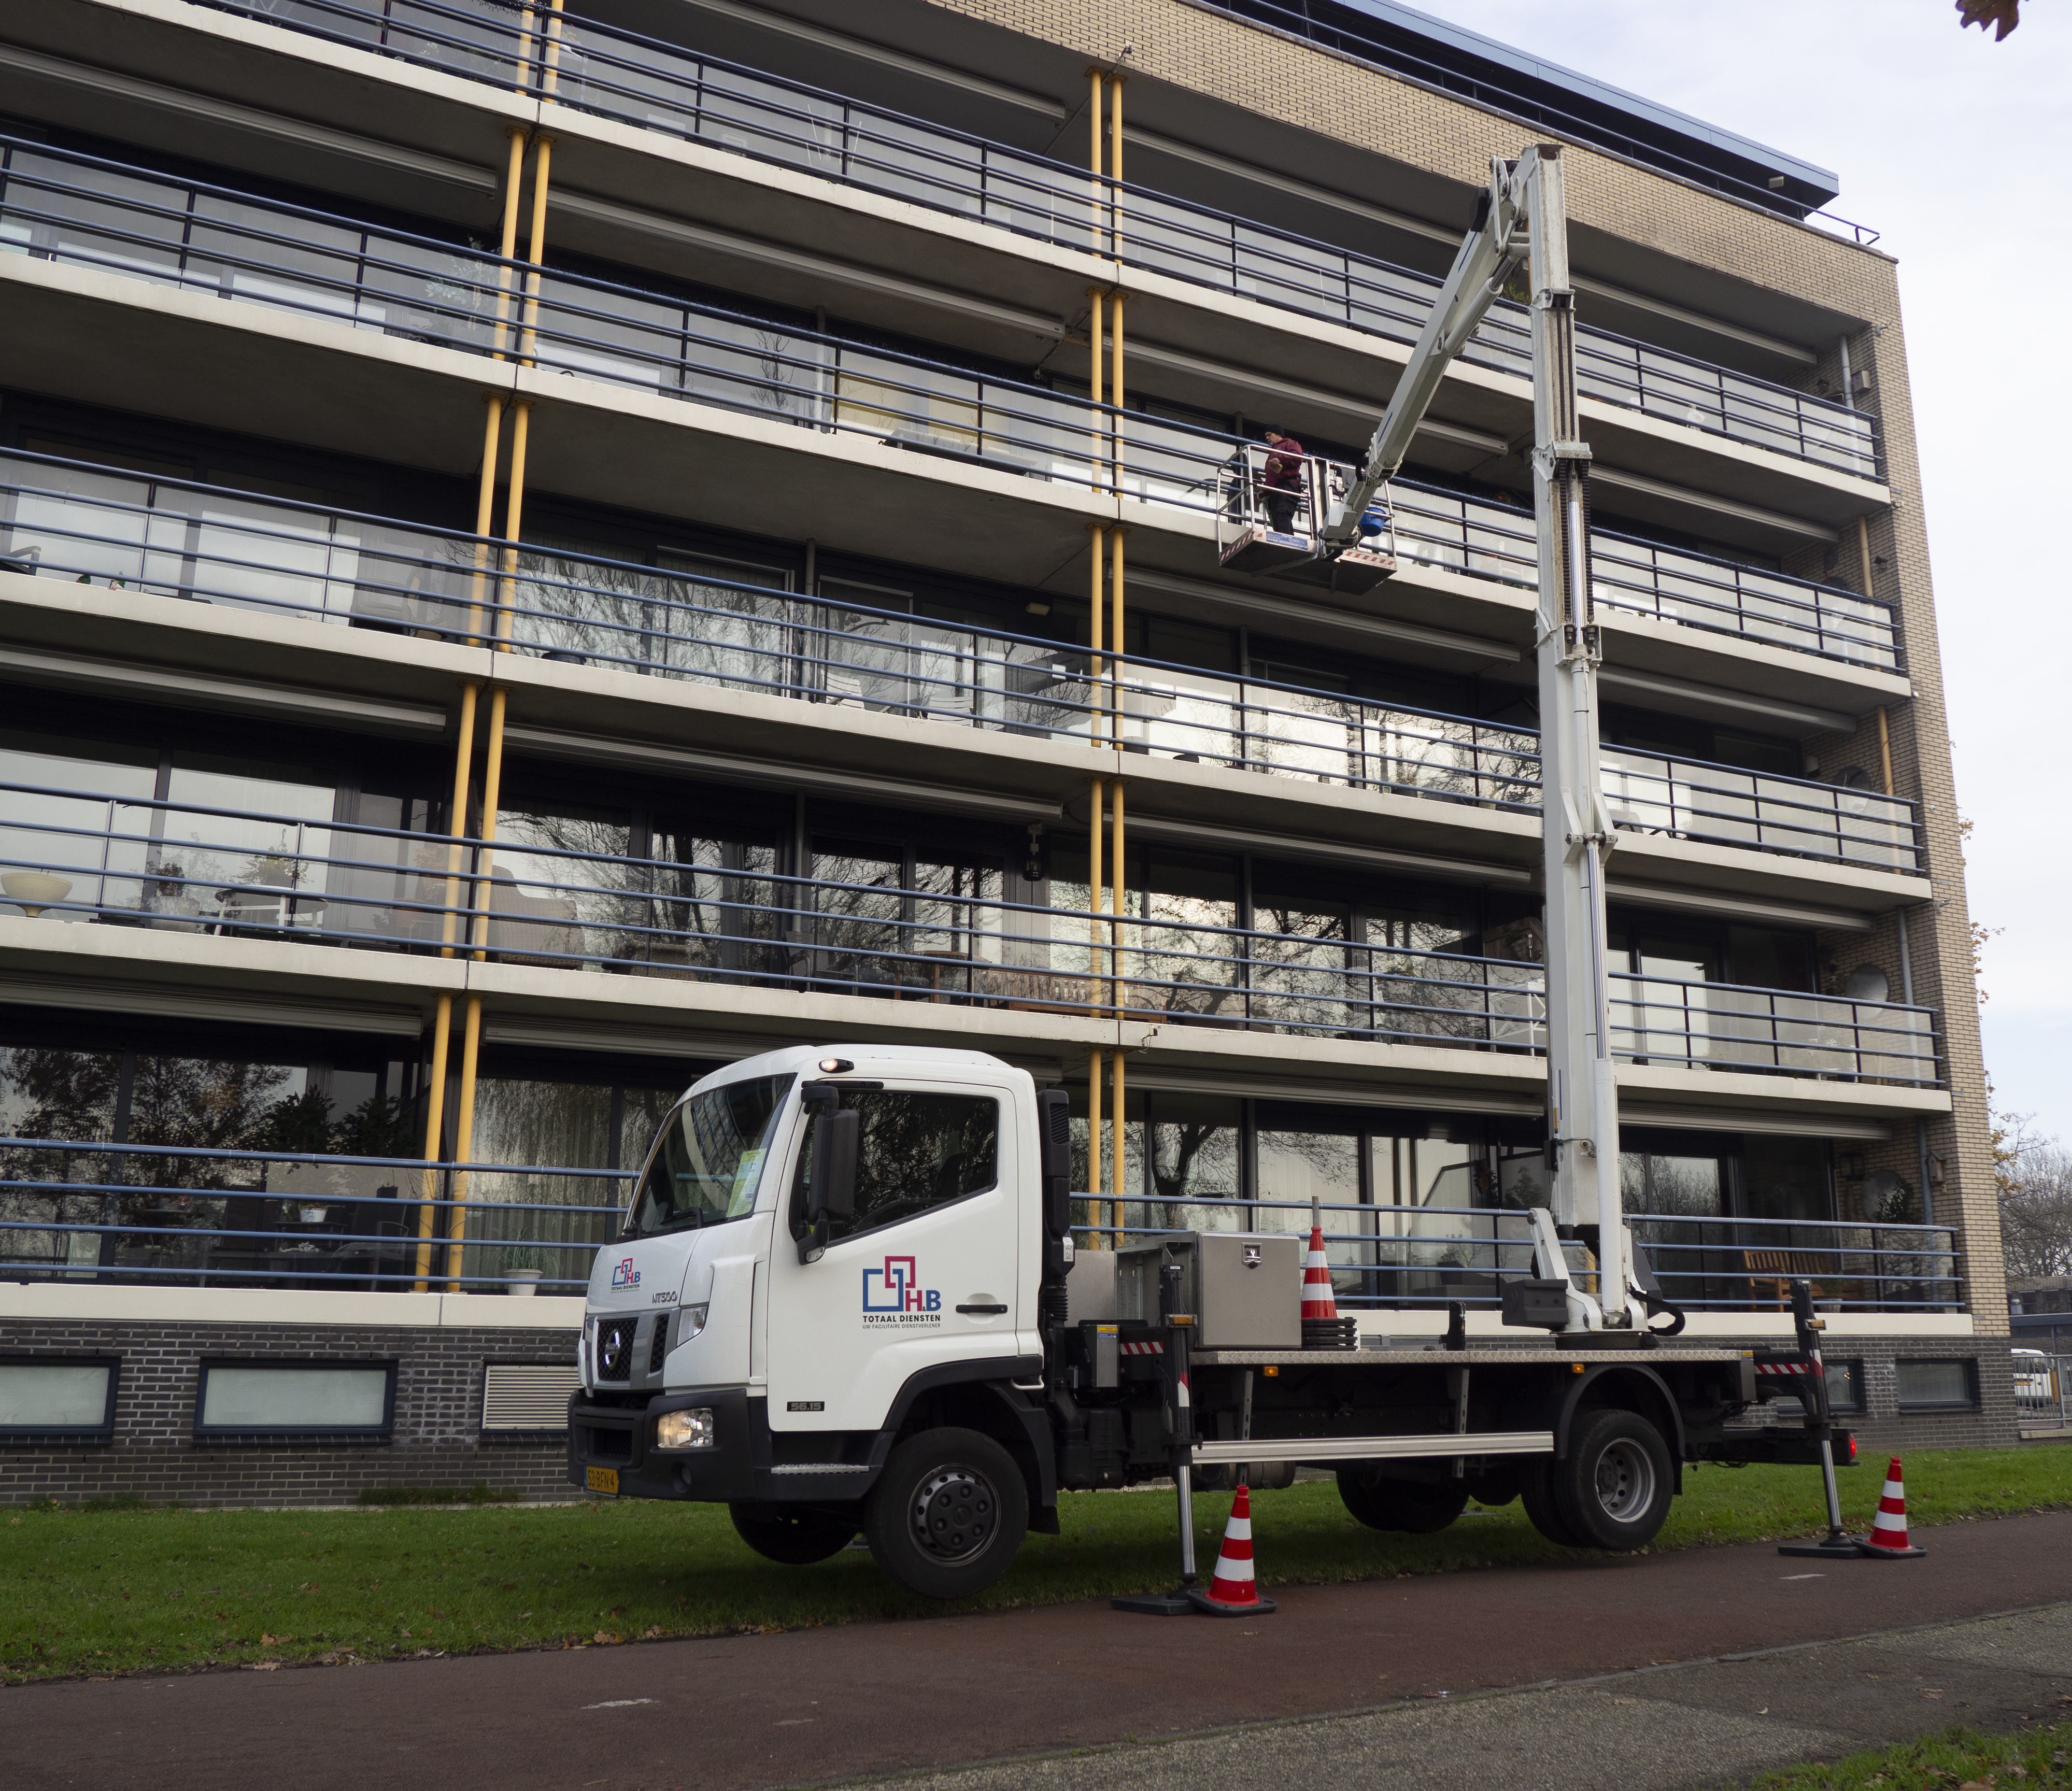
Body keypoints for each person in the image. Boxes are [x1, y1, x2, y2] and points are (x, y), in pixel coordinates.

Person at [1259, 428, 1305, 534]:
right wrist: (1266, 491)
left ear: (1279, 434)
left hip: (1288, 484)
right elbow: (1271, 476)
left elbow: (1298, 458)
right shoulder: (1272, 453)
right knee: (1277, 517)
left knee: (1283, 513)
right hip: (1276, 489)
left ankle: (1285, 540)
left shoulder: (1289, 443)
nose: (1267, 438)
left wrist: (1281, 459)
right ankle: (1287, 540)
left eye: (1270, 434)